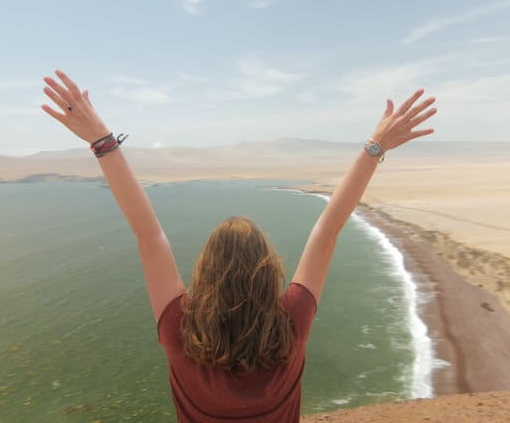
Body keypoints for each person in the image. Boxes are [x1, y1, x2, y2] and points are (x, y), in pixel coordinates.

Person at [41, 69, 437, 422]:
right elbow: (327, 231)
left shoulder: (180, 332)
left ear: (205, 274)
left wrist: (101, 141)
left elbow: (149, 235)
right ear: (268, 272)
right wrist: (375, 148)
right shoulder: (291, 325)